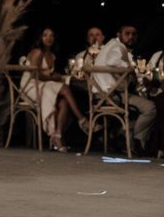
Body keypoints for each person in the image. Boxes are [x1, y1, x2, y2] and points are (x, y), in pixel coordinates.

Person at [93, 24, 158, 155]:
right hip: (112, 96)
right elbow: (113, 62)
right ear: (119, 35)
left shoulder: (111, 46)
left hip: (102, 95)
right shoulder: (117, 48)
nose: (131, 37)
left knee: (141, 101)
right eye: (127, 34)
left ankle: (127, 136)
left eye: (134, 34)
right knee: (151, 108)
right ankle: (131, 138)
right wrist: (131, 70)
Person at [20, 27, 86, 151]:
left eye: (51, 35)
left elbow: (48, 75)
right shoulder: (37, 52)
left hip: (43, 84)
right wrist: (53, 79)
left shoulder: (52, 55)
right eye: (45, 35)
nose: (49, 38)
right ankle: (81, 119)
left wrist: (54, 77)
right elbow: (35, 74)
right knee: (65, 88)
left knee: (64, 102)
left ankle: (57, 136)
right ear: (40, 37)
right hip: (30, 85)